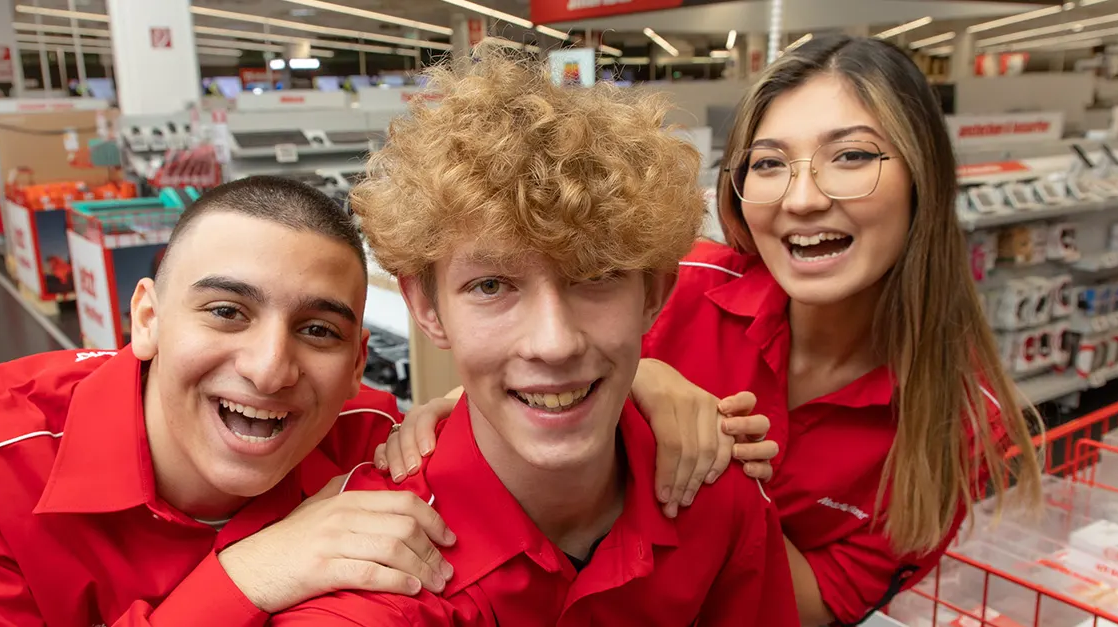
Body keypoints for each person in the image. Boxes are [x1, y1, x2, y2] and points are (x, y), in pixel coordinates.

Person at [384, 35, 1045, 626]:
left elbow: (814, 605)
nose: (804, 196)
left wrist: (726, 487)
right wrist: (643, 377)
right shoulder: (687, 281)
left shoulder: (955, 421)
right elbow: (527, 377)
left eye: (850, 156)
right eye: (768, 163)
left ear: (923, 178)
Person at [273, 43, 799, 626]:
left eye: (595, 276)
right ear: (426, 305)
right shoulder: (367, 572)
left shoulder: (722, 489)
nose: (555, 343)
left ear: (653, 293)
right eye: (492, 286)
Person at [0, 177, 458, 626]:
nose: (270, 369)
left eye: (318, 331)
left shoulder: (372, 439)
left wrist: (477, 419)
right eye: (227, 312)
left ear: (357, 364)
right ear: (147, 320)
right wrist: (248, 576)